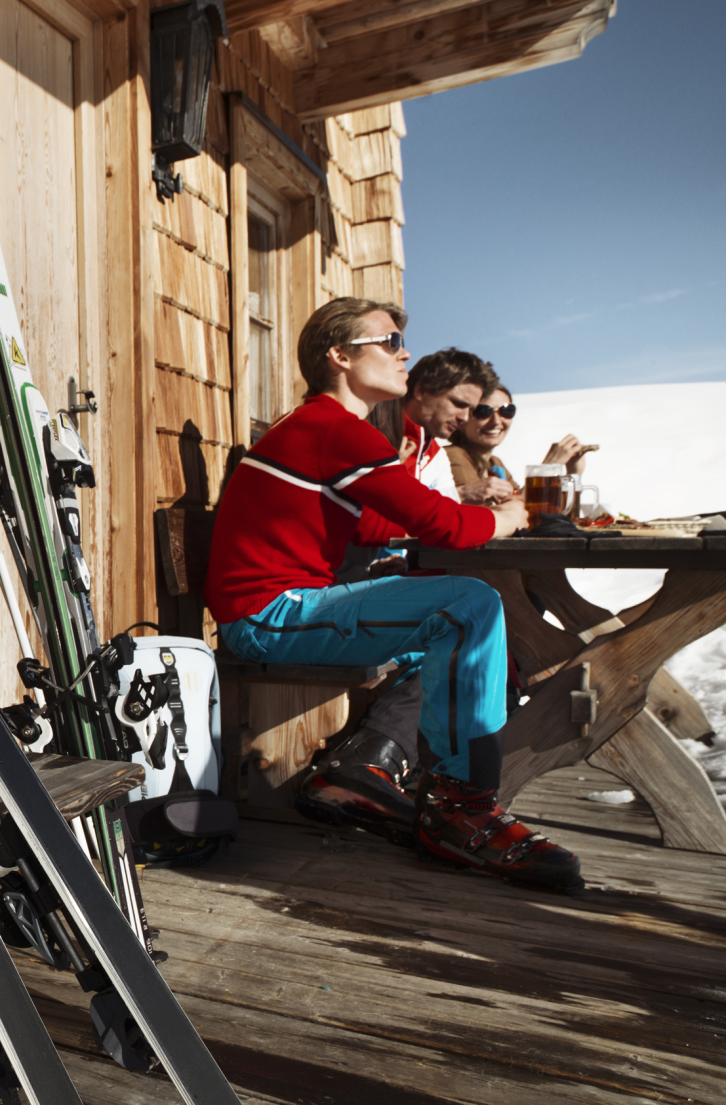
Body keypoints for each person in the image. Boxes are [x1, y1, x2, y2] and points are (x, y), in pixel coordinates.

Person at [204, 298, 581, 889]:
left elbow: (370, 527)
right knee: (470, 605)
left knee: (477, 637)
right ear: (340, 356)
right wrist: (512, 516)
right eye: (388, 341)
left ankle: (366, 774)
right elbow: (448, 529)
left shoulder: (327, 429)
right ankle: (463, 809)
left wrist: (465, 515)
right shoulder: (331, 427)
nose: (404, 352)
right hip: (267, 615)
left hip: (291, 604)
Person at [448, 384, 599, 504]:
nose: (496, 421)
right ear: (464, 418)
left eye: (506, 411)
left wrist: (572, 474)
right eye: (483, 411)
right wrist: (547, 468)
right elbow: (496, 512)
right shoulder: (454, 455)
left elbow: (526, 503)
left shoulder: (494, 464)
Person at [401, 348, 498, 501]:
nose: (465, 418)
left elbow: (445, 518)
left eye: (471, 410)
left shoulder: (438, 457)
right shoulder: (373, 431)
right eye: (458, 404)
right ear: (421, 391)